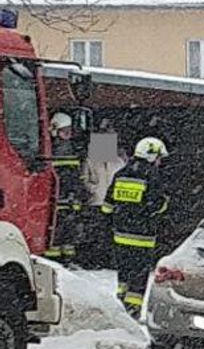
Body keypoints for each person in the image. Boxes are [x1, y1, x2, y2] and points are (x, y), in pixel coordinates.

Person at [102, 137, 170, 318]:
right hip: (142, 237)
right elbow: (156, 206)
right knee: (138, 276)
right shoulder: (153, 176)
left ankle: (121, 307)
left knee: (124, 273)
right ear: (151, 155)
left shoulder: (121, 173)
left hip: (120, 235)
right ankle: (133, 310)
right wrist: (163, 204)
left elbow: (106, 206)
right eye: (158, 157)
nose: (159, 162)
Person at [45, 112, 87, 264]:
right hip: (59, 196)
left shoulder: (73, 147)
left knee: (69, 229)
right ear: (55, 131)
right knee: (58, 229)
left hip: (70, 197)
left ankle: (67, 258)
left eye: (70, 130)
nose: (68, 134)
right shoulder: (51, 149)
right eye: (64, 131)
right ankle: (55, 259)